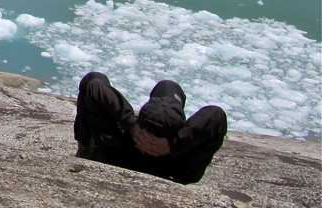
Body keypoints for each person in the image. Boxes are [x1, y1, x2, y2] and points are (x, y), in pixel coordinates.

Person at [74, 71, 228, 184]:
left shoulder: (118, 141)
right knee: (168, 86)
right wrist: (173, 145)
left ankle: (84, 149)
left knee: (93, 78)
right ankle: (171, 111)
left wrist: (130, 123)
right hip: (173, 174)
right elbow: (216, 115)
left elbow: (94, 85)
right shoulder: (181, 162)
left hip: (117, 157)